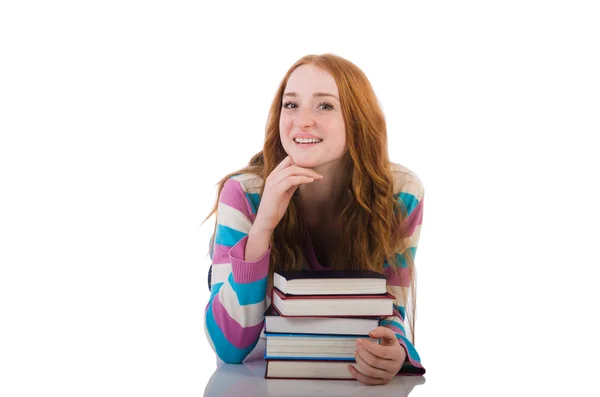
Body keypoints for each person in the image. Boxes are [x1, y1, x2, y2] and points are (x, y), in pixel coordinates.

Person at [202, 53, 426, 385]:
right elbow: (229, 346)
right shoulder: (244, 193)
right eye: (291, 105)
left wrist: (395, 351)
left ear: (358, 120)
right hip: (263, 382)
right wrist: (263, 226)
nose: (302, 121)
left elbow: (390, 310)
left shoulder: (399, 194)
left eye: (324, 106)